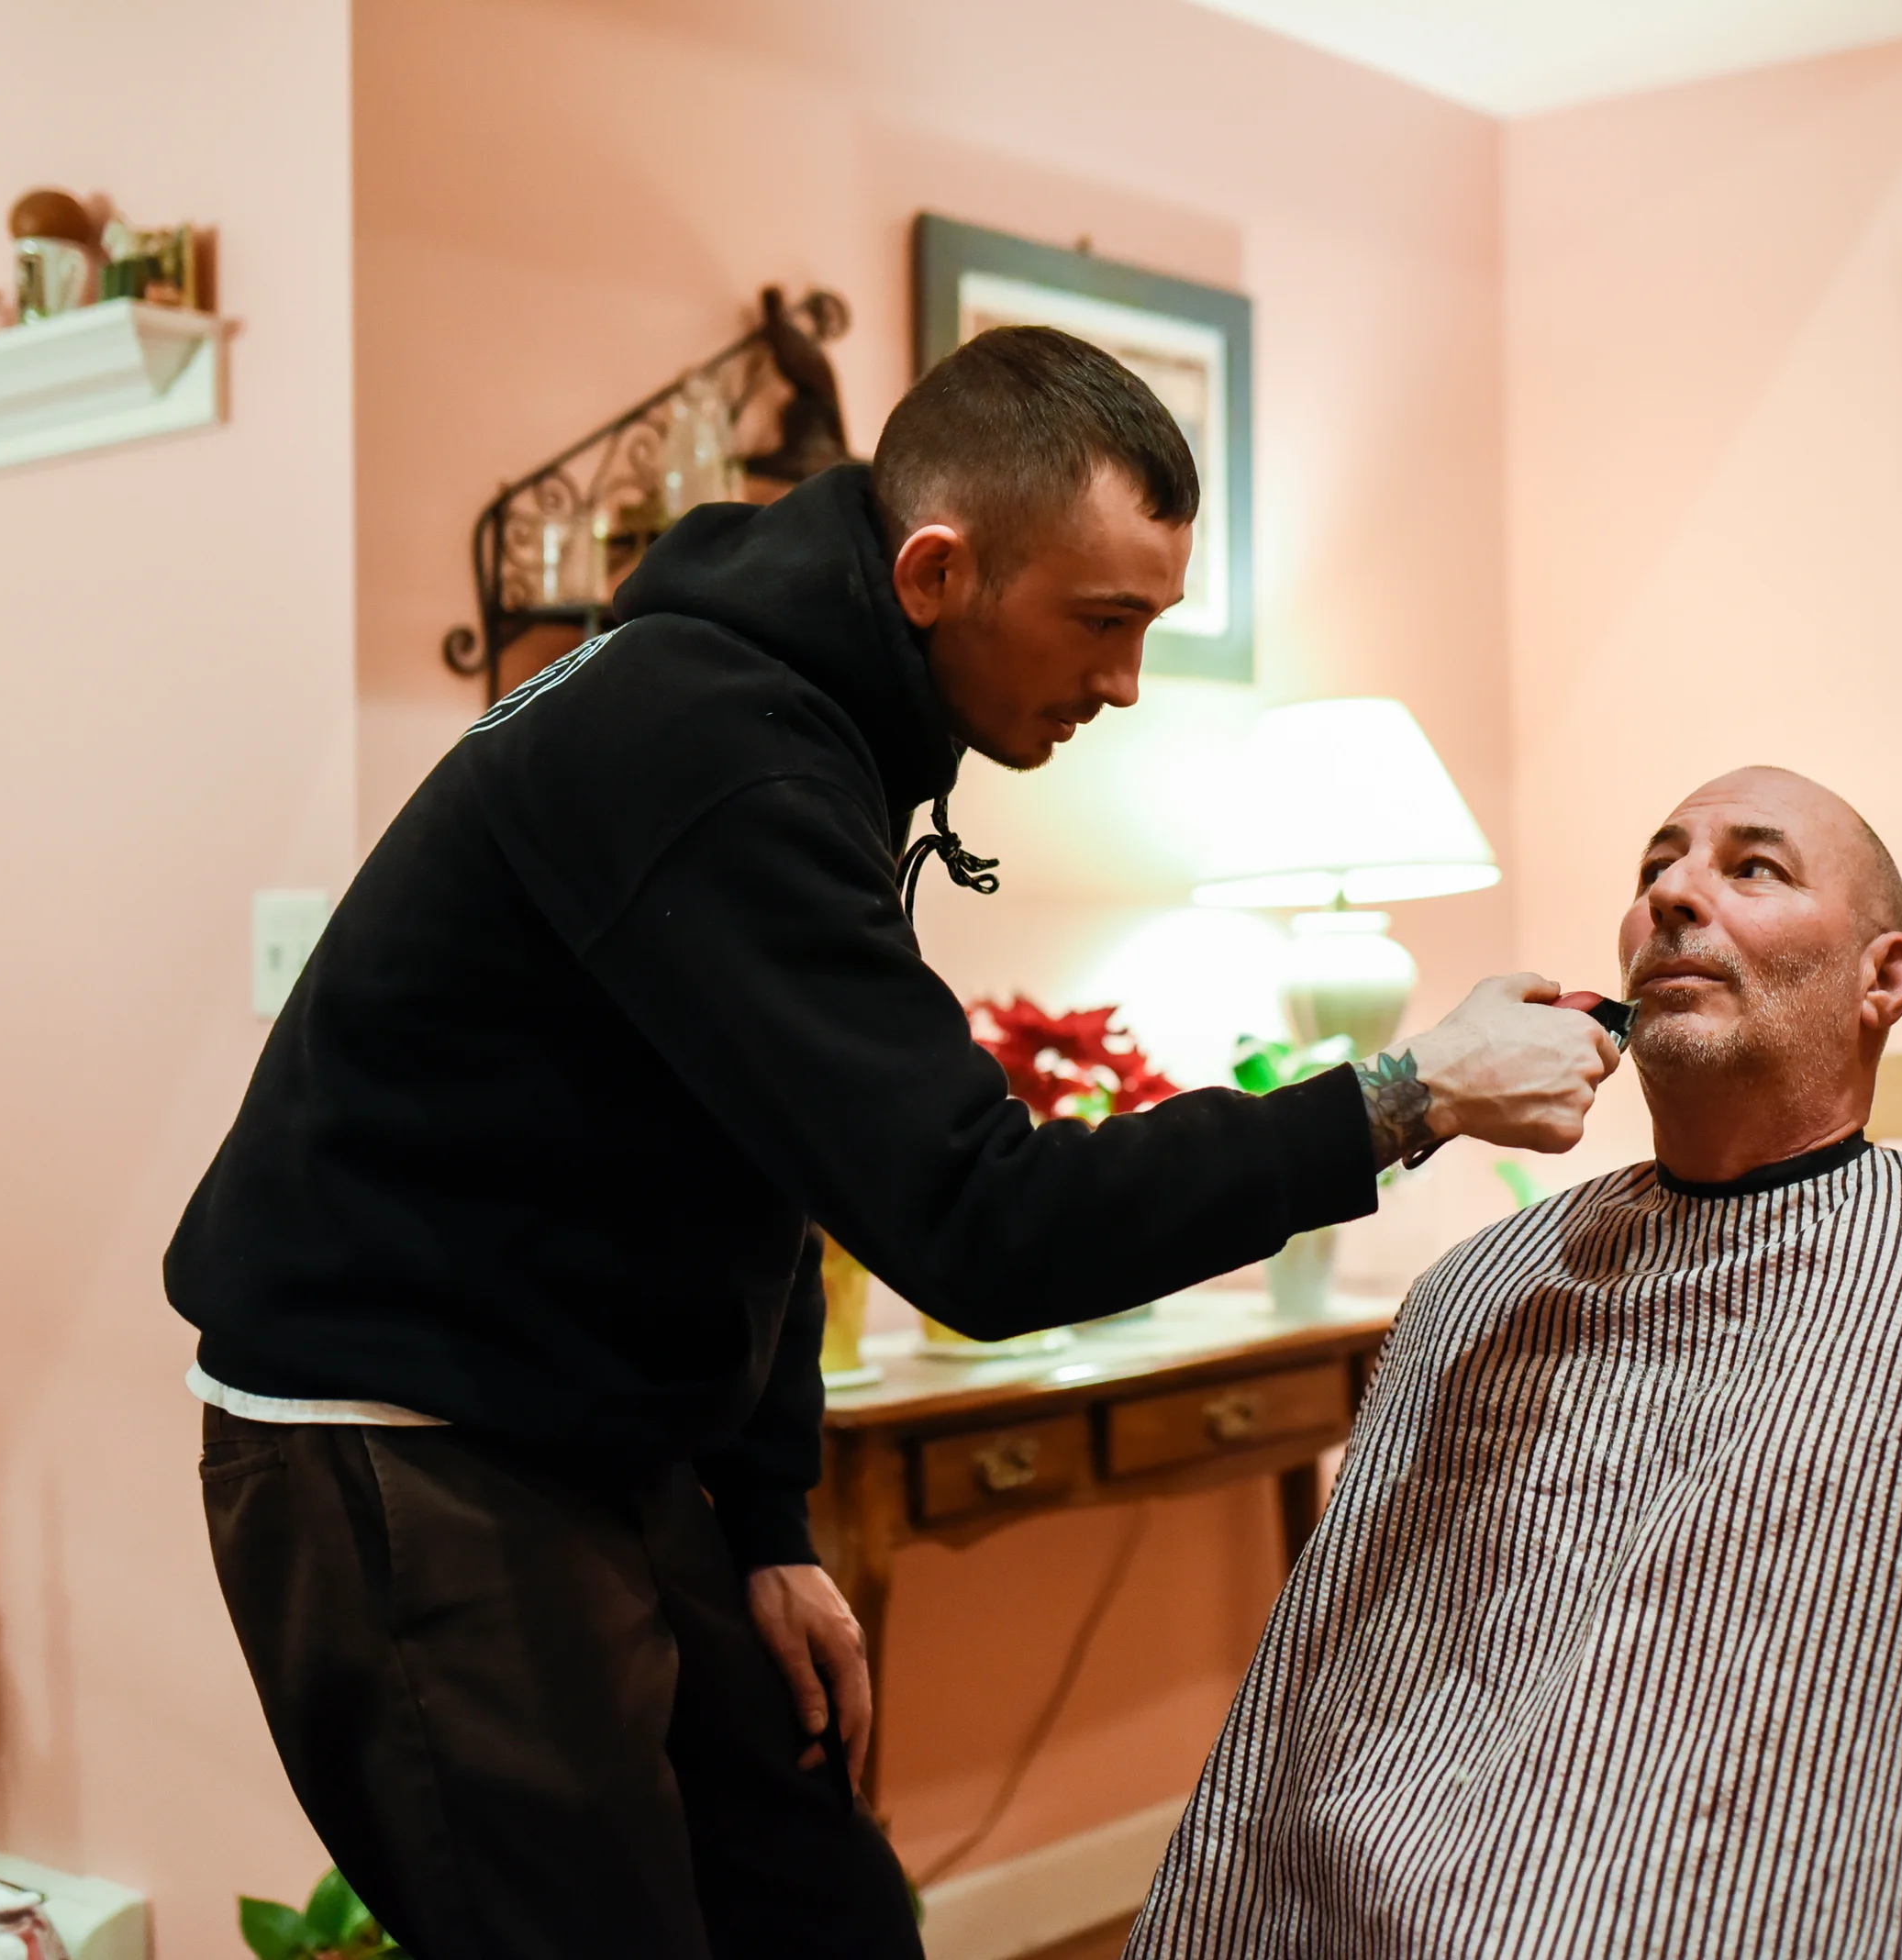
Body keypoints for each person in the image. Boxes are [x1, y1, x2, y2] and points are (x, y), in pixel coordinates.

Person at [165, 326, 1618, 1960]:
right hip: (399, 1429)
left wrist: (769, 1525)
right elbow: (977, 1227)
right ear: (935, 569)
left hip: (592, 1430)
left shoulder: (806, 722)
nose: (1126, 686)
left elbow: (758, 1161)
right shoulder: (715, 751)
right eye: (1104, 622)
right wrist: (1402, 1096)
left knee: (830, 1921)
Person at [1128, 766, 1902, 1960]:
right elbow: (1334, 1698)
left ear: (1885, 978)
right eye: (1654, 868)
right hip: (1421, 1888)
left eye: (1751, 868)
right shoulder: (1479, 1291)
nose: (1672, 893)